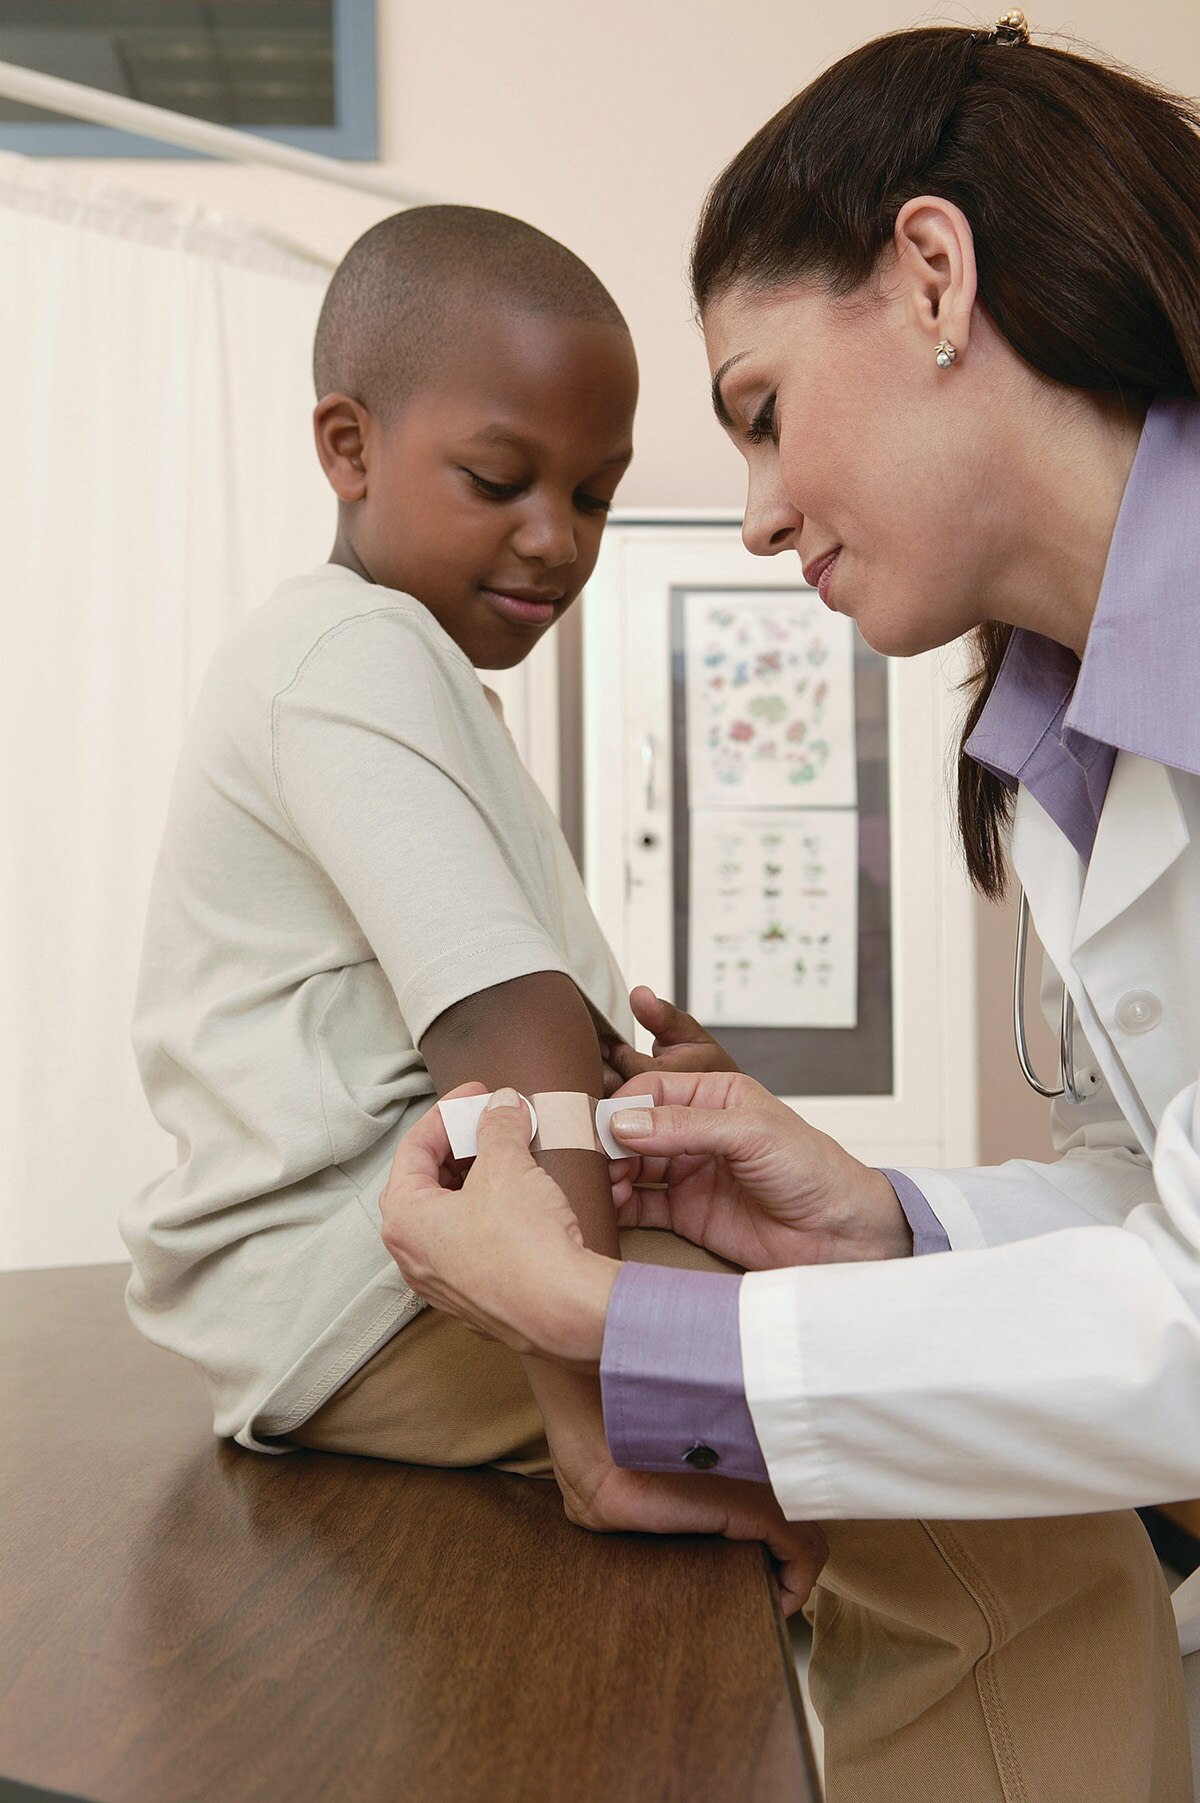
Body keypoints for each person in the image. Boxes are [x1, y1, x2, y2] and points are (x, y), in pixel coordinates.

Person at [377, 21, 1200, 1803]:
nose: (751, 517)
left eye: (759, 413)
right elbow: (1162, 1199)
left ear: (930, 279)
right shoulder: (1071, 739)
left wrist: (602, 1318)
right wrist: (881, 1216)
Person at [120, 204, 819, 1585]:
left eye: (594, 494)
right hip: (361, 1299)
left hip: (370, 1292)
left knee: (877, 1355)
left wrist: (644, 1104)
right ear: (349, 448)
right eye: (501, 480)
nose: (556, 539)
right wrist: (591, 1419)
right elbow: (507, 1046)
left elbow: (535, 1043)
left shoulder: (395, 671)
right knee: (892, 1418)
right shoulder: (352, 654)